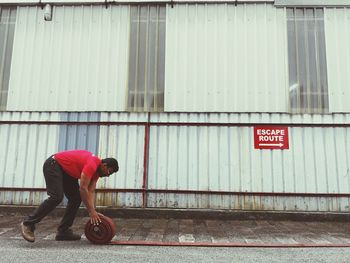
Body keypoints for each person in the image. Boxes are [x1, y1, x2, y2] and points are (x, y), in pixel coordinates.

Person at [20, 150, 119, 242]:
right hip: (54, 164)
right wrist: (91, 211)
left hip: (66, 171)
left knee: (76, 198)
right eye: (109, 171)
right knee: (56, 197)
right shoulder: (92, 164)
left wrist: (93, 211)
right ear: (104, 165)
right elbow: (83, 188)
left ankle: (63, 231)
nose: (108, 175)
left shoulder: (96, 173)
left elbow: (90, 191)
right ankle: (28, 224)